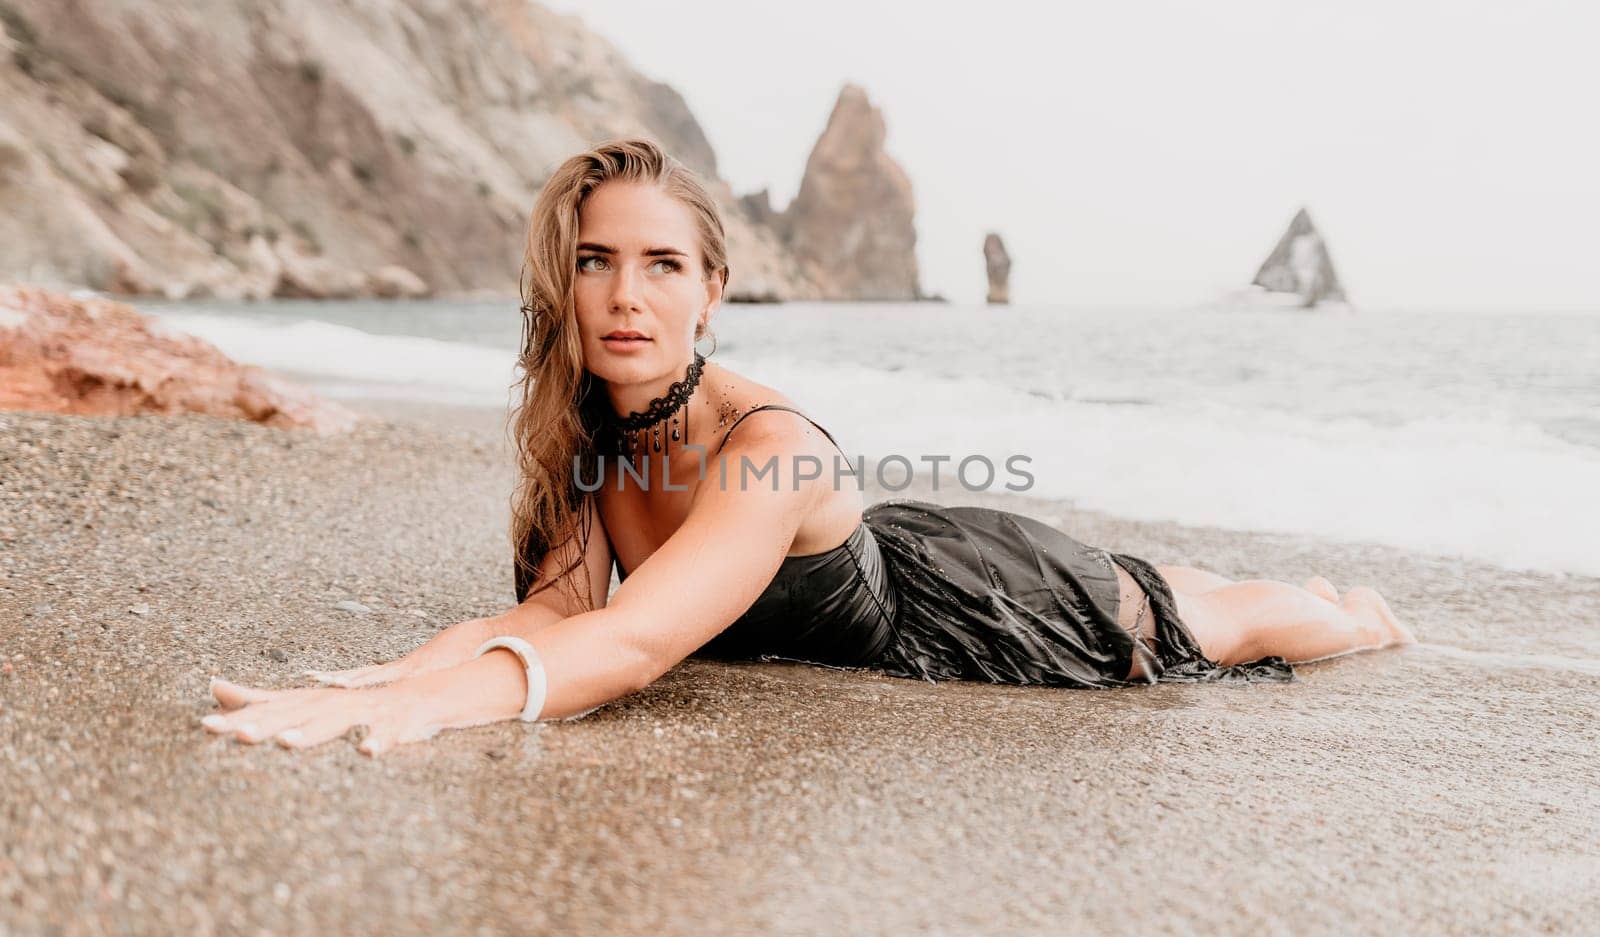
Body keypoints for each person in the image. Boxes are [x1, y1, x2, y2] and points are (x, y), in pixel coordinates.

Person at [202, 139, 1415, 756]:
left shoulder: (769, 442)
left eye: (661, 264)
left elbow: (627, 646)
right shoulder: (585, 431)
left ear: (711, 290)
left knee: (1234, 619)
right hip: (894, 556)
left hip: (986, 606)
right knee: (1202, 595)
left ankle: (1357, 610)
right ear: (560, 285)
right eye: (594, 260)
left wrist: (433, 714)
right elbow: (560, 612)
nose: (627, 294)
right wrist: (388, 675)